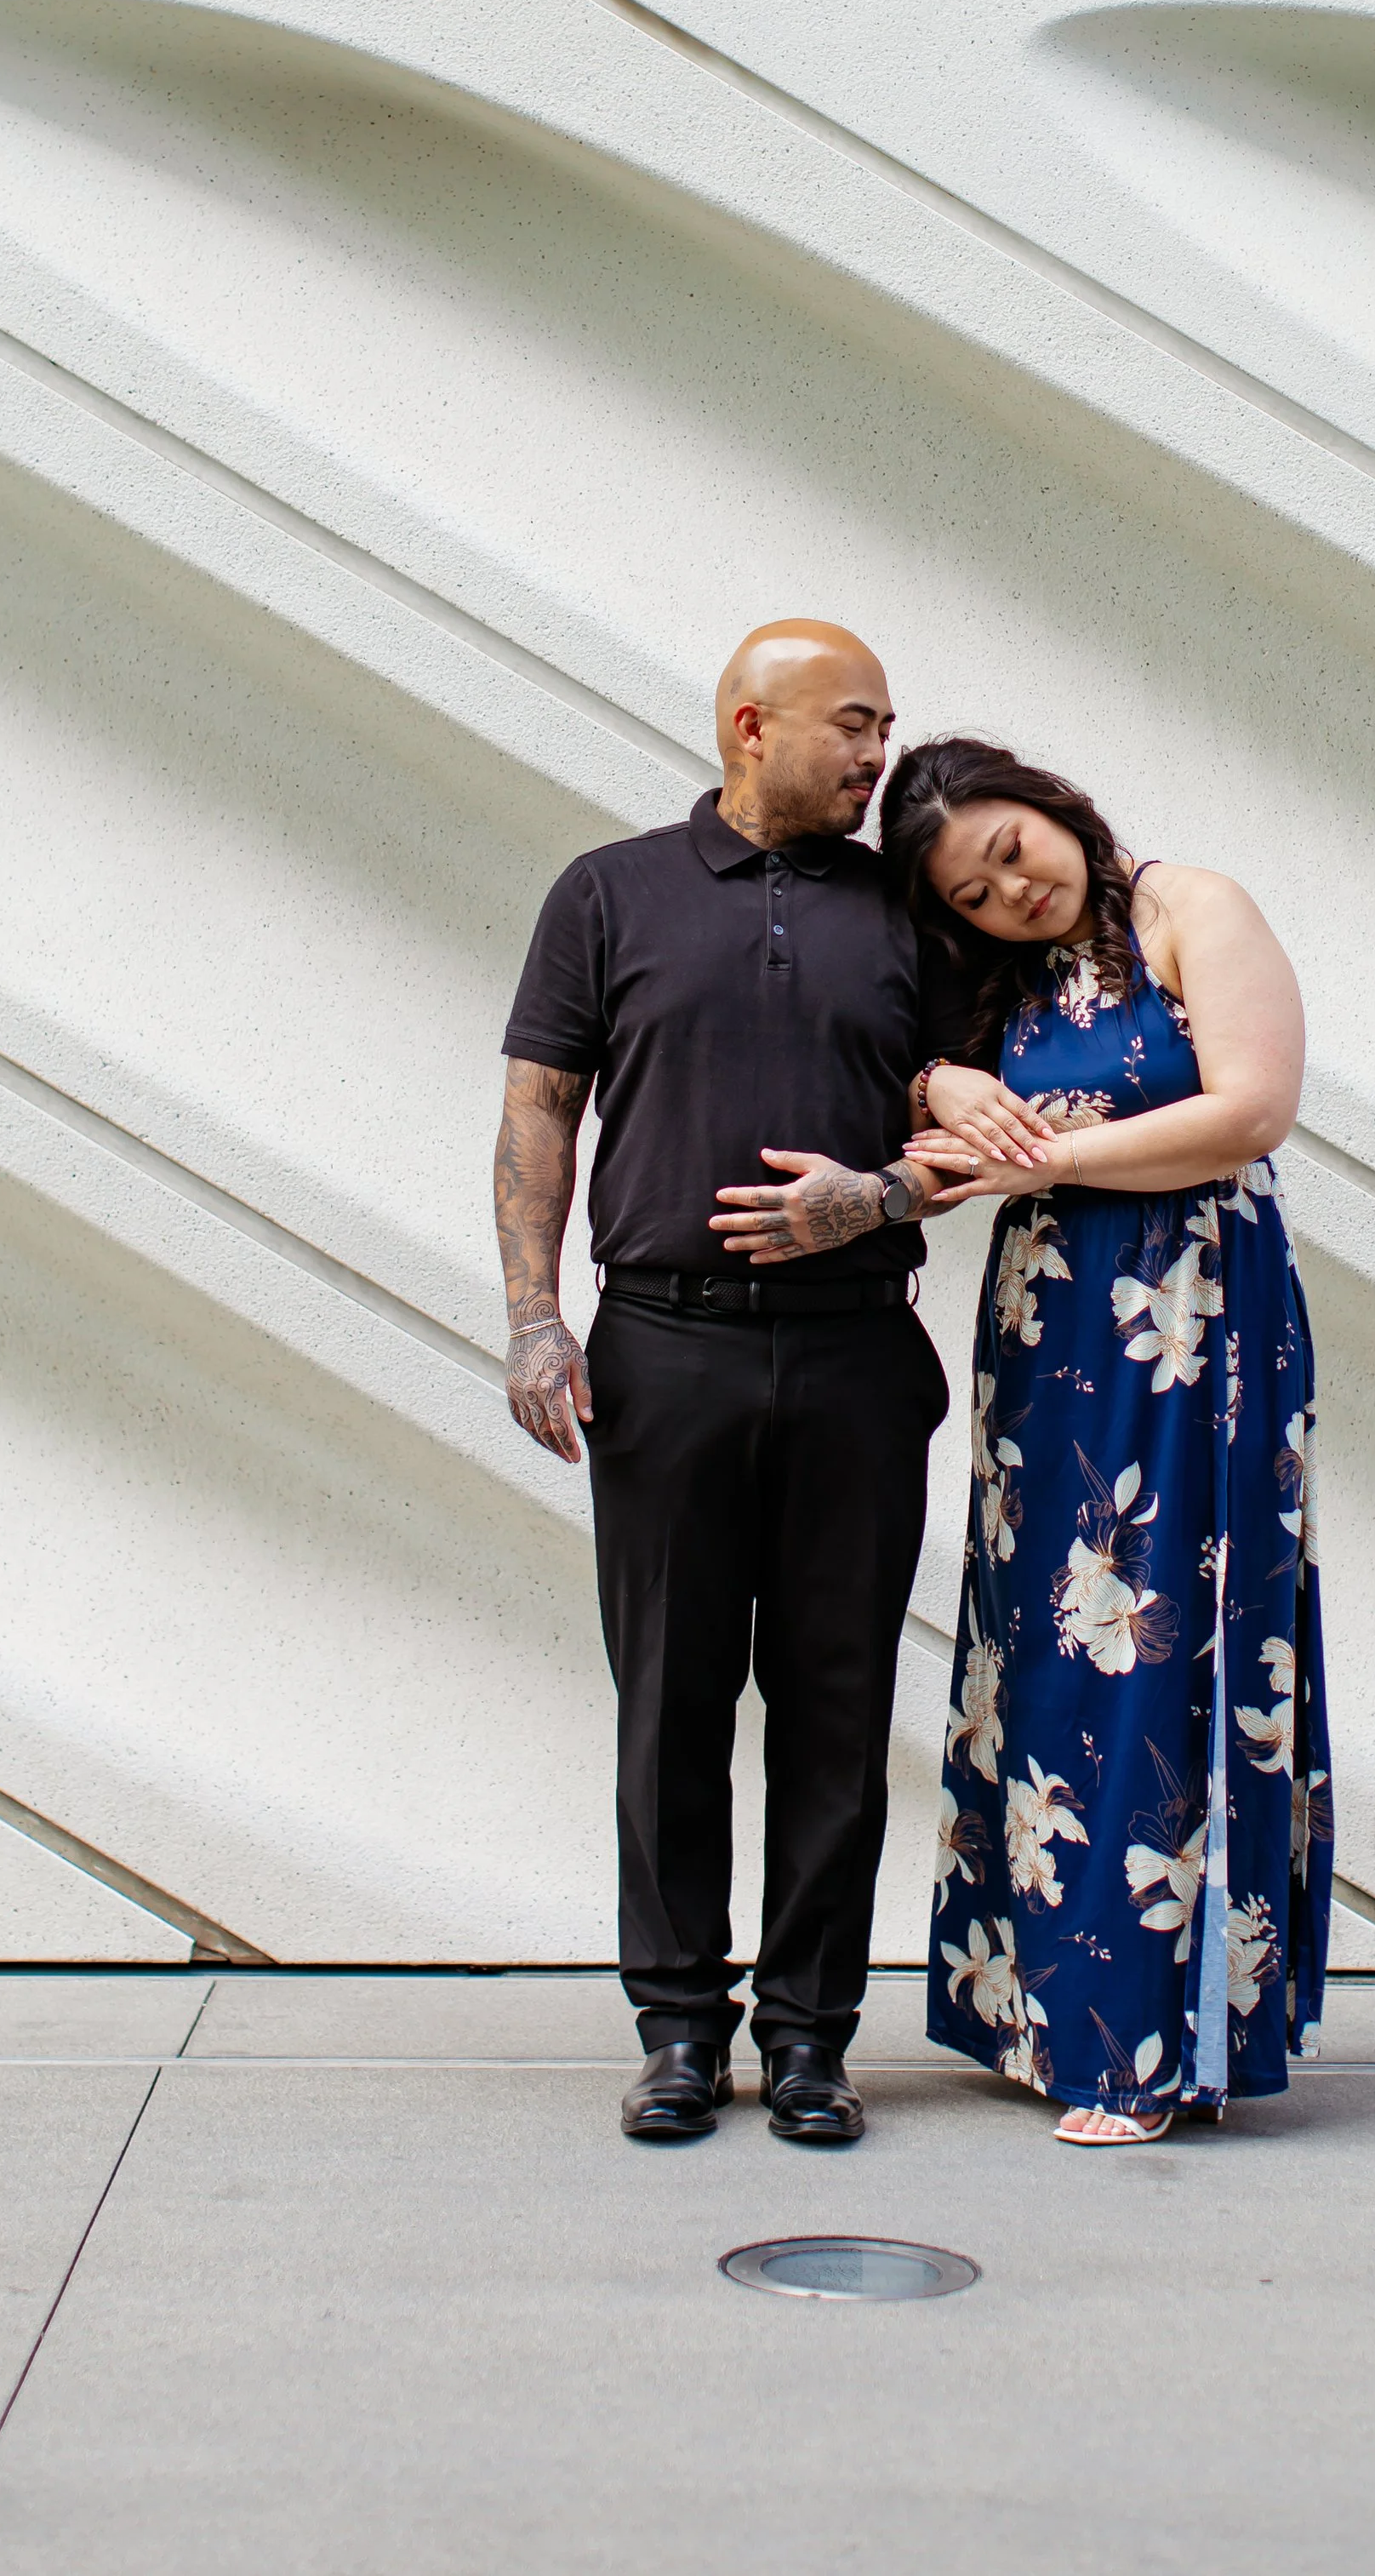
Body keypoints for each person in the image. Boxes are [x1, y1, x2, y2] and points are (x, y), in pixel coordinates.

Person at [494, 622, 961, 2146]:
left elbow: (978, 1130)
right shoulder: (608, 892)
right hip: (664, 1352)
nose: (880, 752)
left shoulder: (910, 912)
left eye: (884, 724)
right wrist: (534, 1320)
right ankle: (679, 2029)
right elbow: (541, 1110)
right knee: (671, 1701)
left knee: (839, 1700)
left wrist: (875, 1197)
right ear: (753, 726)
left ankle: (813, 2037)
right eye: (855, 723)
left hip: (856, 1349)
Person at [881, 735, 1331, 2145]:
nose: (1010, 892)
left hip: (1195, 1317)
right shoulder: (1003, 985)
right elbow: (936, 1134)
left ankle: (1144, 2045)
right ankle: (1037, 2011)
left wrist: (1050, 1156)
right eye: (972, 893)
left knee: (1165, 1641)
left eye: (1010, 851)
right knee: (1039, 1652)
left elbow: (1251, 1110)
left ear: (1050, 804)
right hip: (1050, 1331)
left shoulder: (1193, 908)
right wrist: (939, 1088)